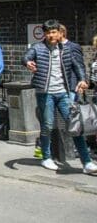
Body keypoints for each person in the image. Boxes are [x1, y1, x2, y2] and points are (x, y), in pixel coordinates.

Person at [23, 20, 96, 174]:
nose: (51, 35)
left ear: (59, 33)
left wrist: (82, 79)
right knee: (47, 125)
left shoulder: (66, 49)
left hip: (63, 93)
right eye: (48, 32)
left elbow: (78, 66)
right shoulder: (37, 48)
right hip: (45, 93)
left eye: (54, 32)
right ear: (44, 34)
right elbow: (26, 57)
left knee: (75, 126)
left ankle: (87, 162)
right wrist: (28, 62)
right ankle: (46, 157)